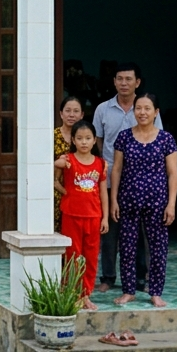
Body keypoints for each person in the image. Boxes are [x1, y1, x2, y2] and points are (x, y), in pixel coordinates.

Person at [92, 63, 161, 292]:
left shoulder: (145, 107)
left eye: (128, 79)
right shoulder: (103, 109)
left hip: (140, 183)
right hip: (110, 179)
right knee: (110, 230)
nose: (124, 83)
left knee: (140, 231)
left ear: (137, 82)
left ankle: (140, 278)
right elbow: (99, 142)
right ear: (114, 82)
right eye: (119, 79)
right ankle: (108, 277)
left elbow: (158, 139)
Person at [110, 93, 177, 308]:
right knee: (128, 247)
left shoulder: (166, 139)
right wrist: (113, 200)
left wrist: (171, 204)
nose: (142, 112)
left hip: (157, 201)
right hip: (128, 200)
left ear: (156, 112)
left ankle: (155, 292)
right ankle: (128, 291)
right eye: (138, 108)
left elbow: (172, 173)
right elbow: (117, 169)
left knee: (158, 248)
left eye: (147, 108)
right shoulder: (124, 137)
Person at [53, 120, 107, 311]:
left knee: (91, 258)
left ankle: (86, 295)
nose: (84, 142)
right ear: (73, 140)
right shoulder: (68, 160)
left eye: (88, 138)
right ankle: (73, 294)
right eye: (79, 138)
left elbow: (103, 193)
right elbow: (52, 176)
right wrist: (64, 191)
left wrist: (105, 217)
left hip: (93, 217)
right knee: (72, 257)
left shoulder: (100, 164)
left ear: (94, 141)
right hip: (72, 216)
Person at [53, 96, 84, 233]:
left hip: (79, 191)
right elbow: (40, 164)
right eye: (68, 110)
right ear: (61, 113)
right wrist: (57, 163)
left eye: (76, 111)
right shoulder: (51, 136)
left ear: (82, 114)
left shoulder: (85, 136)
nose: (72, 115)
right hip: (55, 191)